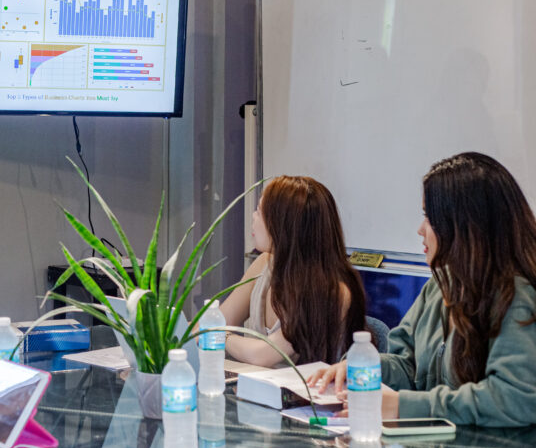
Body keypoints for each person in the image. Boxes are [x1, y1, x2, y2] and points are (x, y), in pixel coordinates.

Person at [308, 152, 536, 426]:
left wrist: (404, 406)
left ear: (463, 225)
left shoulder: (517, 296)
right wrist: (363, 368)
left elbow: (514, 398)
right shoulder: (439, 286)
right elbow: (408, 364)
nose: (420, 229)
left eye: (429, 218)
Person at [220, 175, 368, 367]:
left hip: (309, 394)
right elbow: (217, 320)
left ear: (283, 226)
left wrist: (219, 336)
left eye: (259, 211)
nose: (253, 218)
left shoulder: (332, 291)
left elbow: (264, 354)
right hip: (261, 391)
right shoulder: (264, 264)